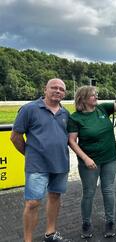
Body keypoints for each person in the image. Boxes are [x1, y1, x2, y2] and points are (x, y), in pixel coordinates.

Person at [67, 86, 116, 239]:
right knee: (88, 193)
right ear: (83, 99)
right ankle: (86, 223)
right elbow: (72, 141)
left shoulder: (103, 109)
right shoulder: (75, 118)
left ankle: (110, 222)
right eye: (93, 95)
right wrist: (85, 158)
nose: (96, 97)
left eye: (96, 94)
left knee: (108, 190)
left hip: (110, 158)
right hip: (89, 163)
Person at [10, 78, 70, 242]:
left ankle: (50, 234)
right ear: (45, 89)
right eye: (54, 88)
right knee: (33, 203)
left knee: (55, 197)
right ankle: (27, 240)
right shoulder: (29, 109)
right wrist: (30, 154)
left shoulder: (65, 113)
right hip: (37, 165)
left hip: (60, 164)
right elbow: (15, 137)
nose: (58, 91)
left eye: (61, 89)